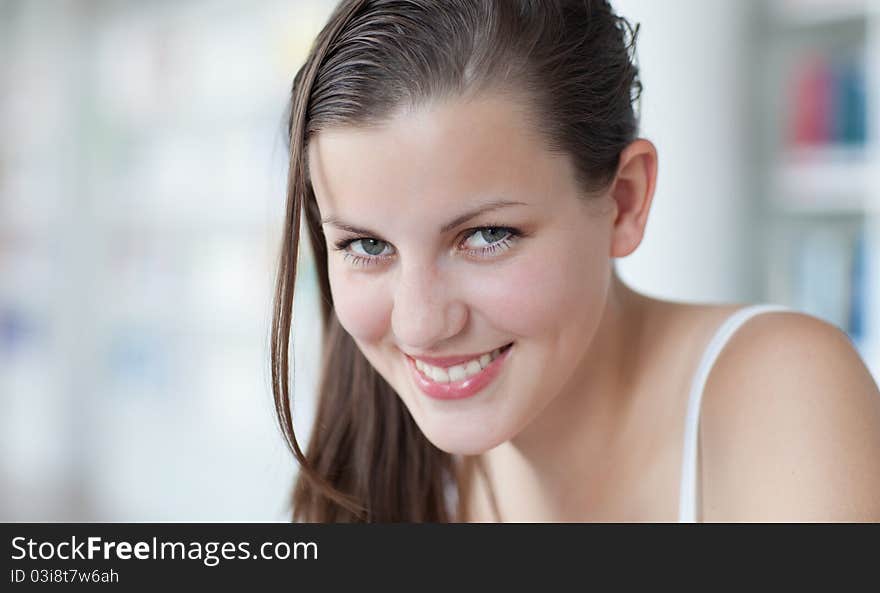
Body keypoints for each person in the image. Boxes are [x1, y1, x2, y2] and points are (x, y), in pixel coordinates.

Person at [270, 0, 880, 522]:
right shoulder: (375, 463)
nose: (419, 325)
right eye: (368, 246)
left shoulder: (781, 391)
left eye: (486, 236)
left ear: (624, 201)